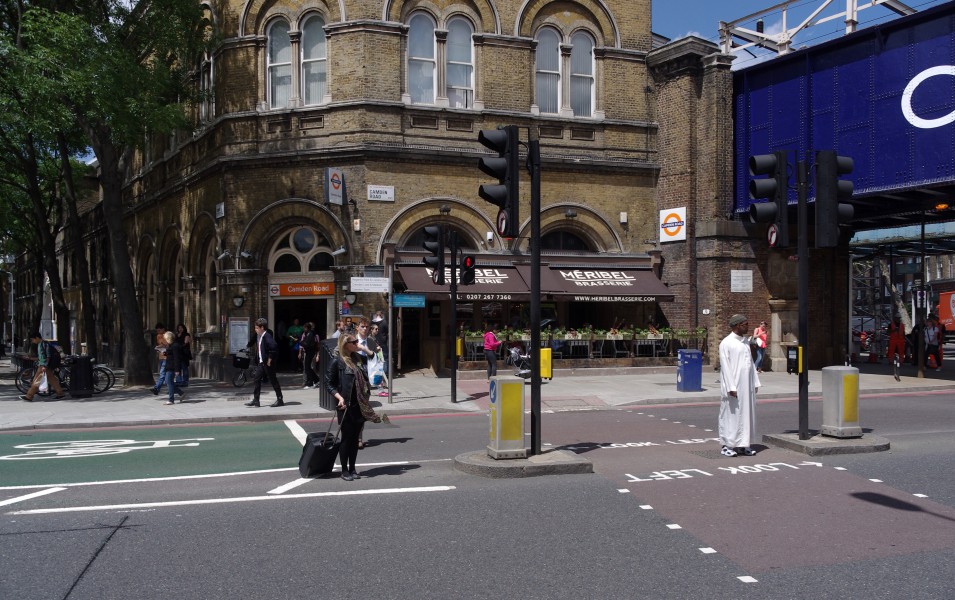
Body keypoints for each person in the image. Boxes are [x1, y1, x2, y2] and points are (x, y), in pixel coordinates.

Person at [326, 334, 389, 481]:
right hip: (346, 405)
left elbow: (375, 359)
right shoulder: (337, 361)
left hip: (359, 404)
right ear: (345, 344)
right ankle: (344, 470)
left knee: (355, 439)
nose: (356, 343)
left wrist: (363, 348)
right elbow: (329, 384)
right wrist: (339, 397)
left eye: (356, 341)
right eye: (353, 342)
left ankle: (353, 468)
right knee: (346, 438)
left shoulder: (358, 359)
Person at [718, 314, 761, 457]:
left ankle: (743, 444)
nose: (748, 327)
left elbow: (750, 364)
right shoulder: (726, 342)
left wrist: (755, 382)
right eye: (745, 324)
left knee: (746, 414)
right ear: (737, 326)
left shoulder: (745, 342)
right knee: (731, 415)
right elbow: (725, 367)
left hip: (746, 385)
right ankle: (727, 445)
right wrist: (731, 387)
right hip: (734, 386)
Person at [246, 317, 284, 407]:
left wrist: (270, 360)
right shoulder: (260, 336)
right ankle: (256, 400)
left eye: (256, 328)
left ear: (262, 327)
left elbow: (274, 348)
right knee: (256, 379)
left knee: (273, 380)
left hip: (267, 363)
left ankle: (280, 399)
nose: (255, 330)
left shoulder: (267, 336)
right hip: (261, 362)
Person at [20, 331, 65, 401]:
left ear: (37, 338)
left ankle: (29, 396)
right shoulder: (40, 344)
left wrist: (44, 365)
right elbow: (41, 357)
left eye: (33, 339)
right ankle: (60, 393)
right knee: (52, 380)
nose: (32, 341)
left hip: (43, 366)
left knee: (36, 381)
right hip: (43, 365)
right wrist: (30, 358)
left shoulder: (44, 344)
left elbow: (48, 356)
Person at [162, 331, 186, 405]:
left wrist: (177, 370)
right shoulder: (170, 345)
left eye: (165, 338)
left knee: (169, 382)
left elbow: (176, 358)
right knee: (169, 382)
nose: (164, 340)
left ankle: (171, 399)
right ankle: (181, 393)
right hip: (169, 366)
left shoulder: (175, 346)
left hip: (172, 367)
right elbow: (170, 354)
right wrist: (165, 353)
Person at [149, 323, 168, 395]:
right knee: (165, 376)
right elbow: (160, 345)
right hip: (161, 356)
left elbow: (167, 344)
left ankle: (156, 388)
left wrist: (161, 346)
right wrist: (158, 348)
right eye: (157, 331)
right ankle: (175, 390)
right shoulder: (158, 336)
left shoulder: (167, 335)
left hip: (167, 357)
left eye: (159, 330)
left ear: (163, 329)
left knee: (162, 373)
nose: (158, 332)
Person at [300, 322, 319, 388]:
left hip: (310, 352)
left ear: (307, 328)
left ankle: (312, 382)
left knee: (307, 367)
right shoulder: (307, 333)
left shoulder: (310, 334)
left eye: (304, 328)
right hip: (308, 352)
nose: (303, 329)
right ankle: (315, 380)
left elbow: (306, 344)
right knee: (307, 367)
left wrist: (300, 342)